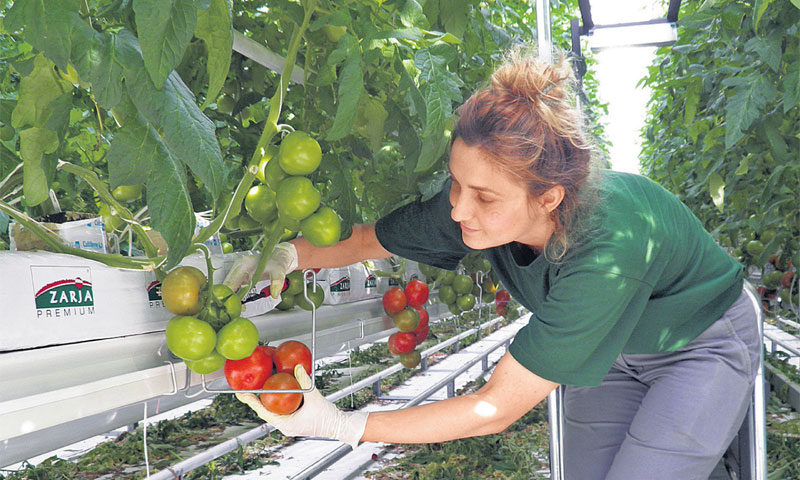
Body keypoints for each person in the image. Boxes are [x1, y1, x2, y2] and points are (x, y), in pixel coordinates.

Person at [225, 46, 762, 480]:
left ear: (549, 198)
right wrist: (283, 255)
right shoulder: (474, 208)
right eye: (456, 185)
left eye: (482, 196)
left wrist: (345, 425)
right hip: (609, 350)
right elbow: (368, 241)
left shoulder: (607, 252)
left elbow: (494, 409)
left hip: (697, 341)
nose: (459, 208)